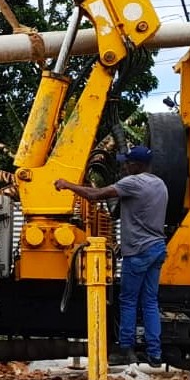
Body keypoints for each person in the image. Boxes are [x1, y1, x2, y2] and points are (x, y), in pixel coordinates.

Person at [53, 145, 168, 367]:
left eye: (128, 162)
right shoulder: (160, 184)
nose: (124, 166)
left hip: (138, 251)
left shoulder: (132, 183)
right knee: (150, 302)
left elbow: (95, 195)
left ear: (138, 165)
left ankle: (126, 349)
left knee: (128, 300)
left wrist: (67, 185)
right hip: (157, 248)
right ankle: (155, 354)